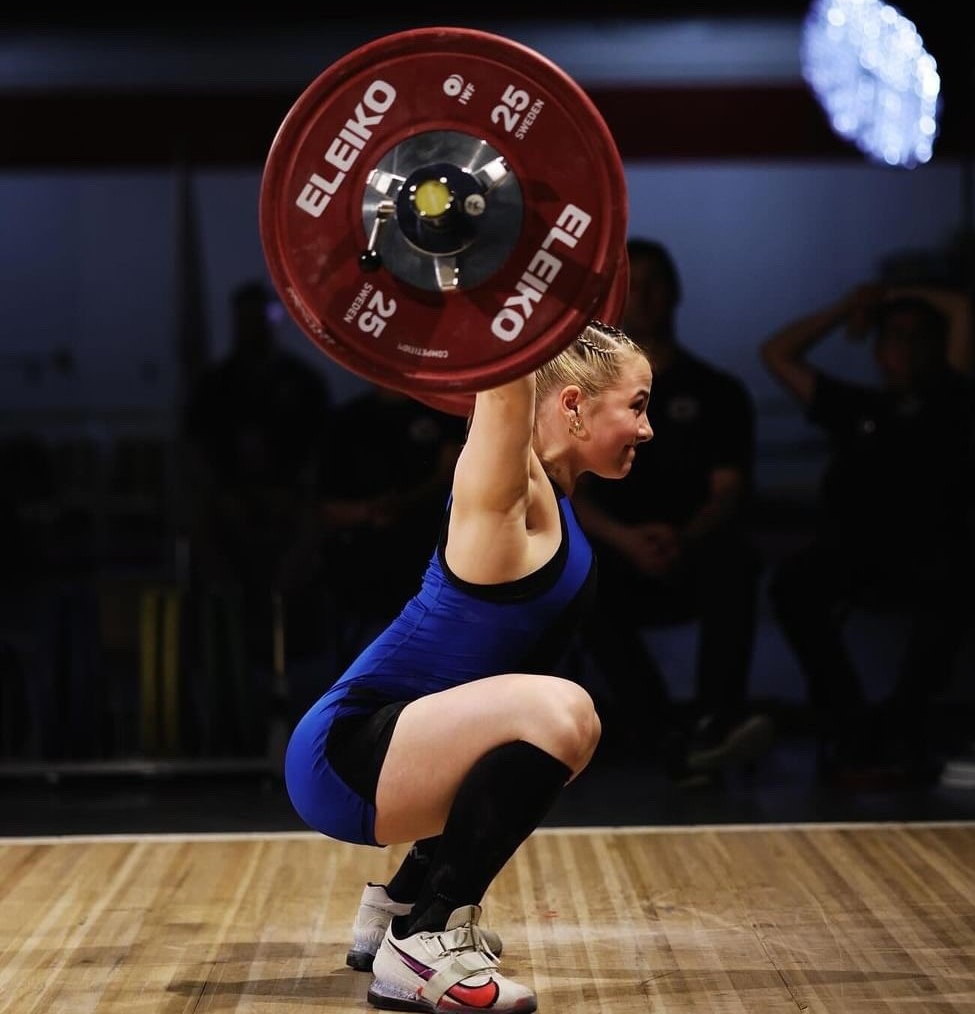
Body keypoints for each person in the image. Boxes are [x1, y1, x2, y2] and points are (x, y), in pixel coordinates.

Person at [284, 320, 653, 1014]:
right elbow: (502, 382)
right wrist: (484, 267)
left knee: (545, 716)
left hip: (397, 749)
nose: (648, 428)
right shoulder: (506, 490)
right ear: (573, 405)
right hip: (349, 755)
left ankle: (399, 907)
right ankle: (424, 942)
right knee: (564, 713)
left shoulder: (559, 504)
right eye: (636, 406)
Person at [760, 279, 975, 785]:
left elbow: (961, 303)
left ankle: (902, 724)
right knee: (793, 585)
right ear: (878, 349)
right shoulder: (854, 406)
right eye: (892, 336)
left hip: (930, 555)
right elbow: (776, 353)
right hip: (854, 554)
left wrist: (896, 293)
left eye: (914, 337)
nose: (901, 349)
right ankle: (851, 723)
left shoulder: (951, 399)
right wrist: (849, 306)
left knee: (955, 585)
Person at [571, 237, 769, 780]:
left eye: (657, 282)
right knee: (574, 582)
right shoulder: (579, 395)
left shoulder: (718, 391)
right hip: (615, 551)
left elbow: (728, 489)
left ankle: (714, 722)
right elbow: (571, 492)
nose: (647, 296)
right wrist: (627, 540)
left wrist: (682, 536)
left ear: (676, 293)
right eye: (634, 285)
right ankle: (661, 733)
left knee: (738, 563)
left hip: (694, 548)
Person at [181, 279, 331, 755]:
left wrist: (292, 501)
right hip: (230, 513)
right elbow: (196, 455)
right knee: (218, 583)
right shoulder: (215, 384)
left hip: (290, 512)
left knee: (300, 586)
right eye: (241, 318)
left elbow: (319, 457)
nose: (250, 327)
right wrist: (226, 500)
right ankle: (229, 713)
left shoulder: (303, 382)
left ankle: (299, 709)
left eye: (259, 317)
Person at [316, 385, 464, 668]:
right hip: (361, 583)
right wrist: (370, 511)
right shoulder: (347, 419)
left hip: (432, 579)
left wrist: (406, 503)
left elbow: (452, 473)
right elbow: (323, 506)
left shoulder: (443, 414)